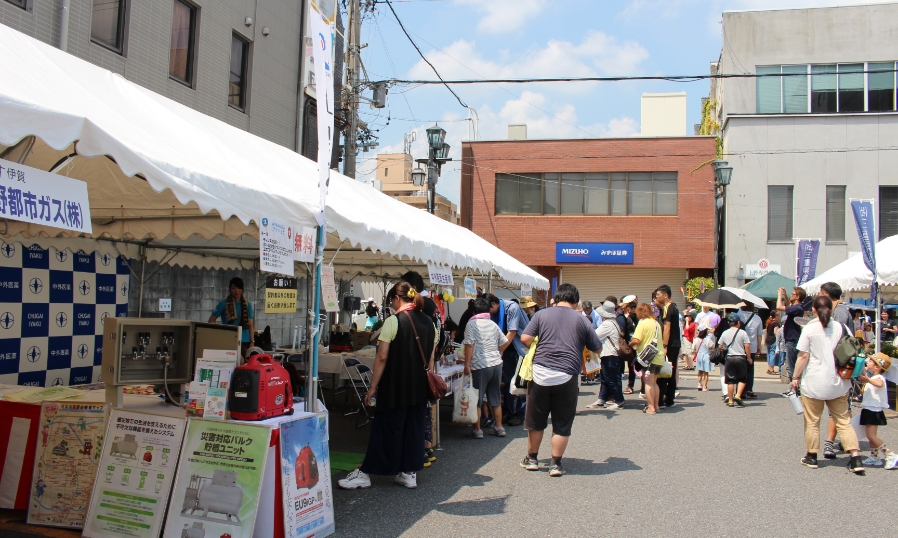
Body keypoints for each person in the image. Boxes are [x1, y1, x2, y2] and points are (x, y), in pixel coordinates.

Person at [338, 282, 435, 490]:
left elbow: (381, 357)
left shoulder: (394, 321)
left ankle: (366, 473)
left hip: (395, 386)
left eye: (391, 300)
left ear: (397, 299)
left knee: (386, 428)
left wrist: (373, 387)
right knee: (413, 429)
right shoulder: (430, 322)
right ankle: (409, 473)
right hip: (419, 387)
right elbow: (431, 358)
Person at [519, 283, 601, 477]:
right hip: (567, 376)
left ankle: (532, 459)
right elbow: (597, 348)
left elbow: (525, 338)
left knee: (536, 420)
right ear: (575, 300)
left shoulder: (541, 314)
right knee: (562, 423)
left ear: (557, 298)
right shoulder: (582, 320)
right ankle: (555, 464)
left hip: (540, 373)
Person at [790, 296, 864, 474]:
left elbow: (803, 356)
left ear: (814, 310)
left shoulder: (809, 328)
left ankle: (812, 456)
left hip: (814, 383)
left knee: (813, 421)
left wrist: (795, 377)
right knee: (843, 421)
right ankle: (855, 457)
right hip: (838, 382)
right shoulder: (842, 327)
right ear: (831, 308)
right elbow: (853, 350)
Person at [462, 297, 510, 439]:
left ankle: (477, 430)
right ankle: (499, 428)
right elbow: (504, 341)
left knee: (477, 399)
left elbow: (469, 345)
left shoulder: (472, 324)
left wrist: (466, 365)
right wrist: (496, 353)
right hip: (496, 365)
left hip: (480, 366)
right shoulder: (493, 324)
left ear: (474, 311)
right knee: (495, 398)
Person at [819, 281, 852, 458]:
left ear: (825, 294)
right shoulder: (839, 311)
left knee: (837, 408)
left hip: (839, 368)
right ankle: (846, 441)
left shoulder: (839, 313)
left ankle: (829, 444)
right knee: (843, 408)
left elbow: (835, 341)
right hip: (840, 367)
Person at [487, 294, 531, 426]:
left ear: (494, 304)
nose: (489, 313)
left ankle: (520, 414)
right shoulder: (497, 312)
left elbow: (512, 332)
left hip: (521, 350)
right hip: (508, 350)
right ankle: (509, 412)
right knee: (507, 382)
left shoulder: (512, 308)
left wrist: (499, 351)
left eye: (489, 309)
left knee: (520, 384)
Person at [857, 353, 897, 469]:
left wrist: (867, 379)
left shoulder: (879, 378)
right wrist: (863, 375)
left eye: (870, 361)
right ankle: (874, 457)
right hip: (869, 409)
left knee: (871, 435)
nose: (868, 362)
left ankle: (890, 454)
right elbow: (864, 380)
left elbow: (879, 384)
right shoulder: (872, 377)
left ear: (877, 367)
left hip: (873, 410)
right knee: (871, 436)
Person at [587, 301, 625, 410]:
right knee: (605, 378)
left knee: (611, 379)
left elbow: (594, 335)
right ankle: (601, 399)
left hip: (610, 355)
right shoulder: (613, 322)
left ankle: (619, 401)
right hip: (611, 354)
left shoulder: (607, 324)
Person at [630, 303, 664, 414]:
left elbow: (637, 340)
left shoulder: (642, 323)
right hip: (658, 356)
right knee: (654, 383)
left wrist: (630, 344)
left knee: (648, 383)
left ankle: (651, 407)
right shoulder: (656, 323)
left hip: (648, 358)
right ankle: (656, 405)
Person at [209, 277, 254, 357]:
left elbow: (250, 324)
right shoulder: (223, 303)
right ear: (230, 289)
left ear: (242, 289)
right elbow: (212, 320)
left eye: (239, 288)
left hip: (245, 340)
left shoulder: (248, 304)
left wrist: (252, 341)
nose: (236, 291)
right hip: (229, 339)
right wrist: (220, 334)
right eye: (233, 288)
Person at [653, 285, 680, 407]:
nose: (657, 296)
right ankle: (669, 399)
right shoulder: (671, 306)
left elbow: (667, 328)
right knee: (671, 371)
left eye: (658, 294)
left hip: (670, 344)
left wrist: (664, 346)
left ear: (665, 295)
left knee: (664, 371)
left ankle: (662, 400)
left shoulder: (669, 307)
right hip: (674, 344)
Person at [777, 286, 807, 390]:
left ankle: (794, 389)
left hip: (792, 339)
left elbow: (779, 307)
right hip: (791, 339)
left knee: (791, 366)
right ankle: (794, 389)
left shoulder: (797, 308)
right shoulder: (796, 307)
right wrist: (785, 295)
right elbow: (789, 305)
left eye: (792, 294)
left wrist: (780, 295)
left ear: (798, 297)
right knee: (791, 364)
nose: (791, 295)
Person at [719, 312, 751, 408]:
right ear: (738, 322)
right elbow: (747, 346)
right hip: (740, 357)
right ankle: (738, 395)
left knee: (730, 380)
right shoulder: (743, 333)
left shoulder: (725, 333)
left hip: (729, 357)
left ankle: (731, 401)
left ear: (728, 322)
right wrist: (749, 358)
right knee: (742, 378)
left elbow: (720, 346)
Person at [738, 305, 762, 398]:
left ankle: (741, 390)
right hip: (752, 346)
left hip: (740, 346)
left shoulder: (739, 316)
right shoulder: (757, 318)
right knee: (750, 368)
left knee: (741, 369)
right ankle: (749, 389)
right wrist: (759, 345)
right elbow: (759, 334)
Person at [619, 296, 639, 395]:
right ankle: (619, 386)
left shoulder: (635, 317)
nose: (631, 310)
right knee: (620, 365)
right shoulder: (621, 316)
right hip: (623, 345)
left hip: (632, 345)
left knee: (632, 366)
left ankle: (630, 386)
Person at [693, 324, 715, 391]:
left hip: (699, 356)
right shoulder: (707, 340)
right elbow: (712, 347)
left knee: (700, 371)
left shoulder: (696, 339)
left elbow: (693, 348)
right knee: (706, 372)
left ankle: (699, 384)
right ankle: (705, 386)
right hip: (706, 356)